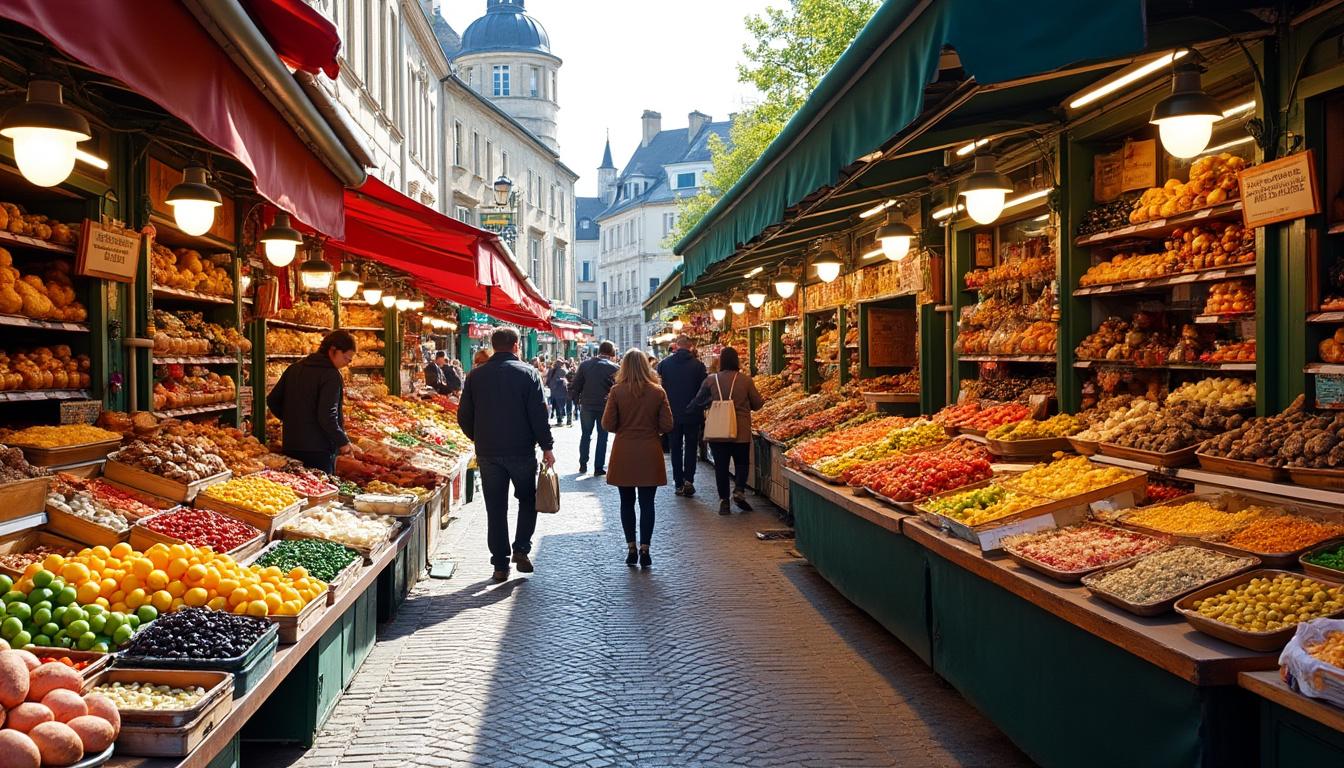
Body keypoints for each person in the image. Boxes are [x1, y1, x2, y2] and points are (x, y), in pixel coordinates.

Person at [459, 328, 556, 582]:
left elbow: (464, 416)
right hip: (521, 450)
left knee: (496, 507)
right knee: (527, 499)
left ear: (493, 346)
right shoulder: (529, 374)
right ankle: (521, 548)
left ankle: (499, 564)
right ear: (516, 345)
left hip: (488, 451)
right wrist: (546, 446)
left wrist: (478, 437)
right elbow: (539, 415)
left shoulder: (475, 376)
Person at [602, 349, 674, 568]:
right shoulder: (657, 391)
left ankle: (631, 547)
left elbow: (607, 424)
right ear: (646, 366)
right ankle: (646, 549)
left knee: (626, 502)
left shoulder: (617, 391)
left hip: (624, 451)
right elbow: (667, 425)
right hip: (649, 451)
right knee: (647, 503)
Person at [266, 330, 356, 474]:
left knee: (295, 490)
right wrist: (343, 442)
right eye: (346, 358)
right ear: (333, 350)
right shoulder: (331, 375)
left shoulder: (294, 369)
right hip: (319, 450)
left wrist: (293, 420)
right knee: (320, 490)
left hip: (292, 444)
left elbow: (272, 400)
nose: (347, 364)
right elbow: (327, 416)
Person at [688, 346, 763, 515]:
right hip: (741, 430)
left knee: (721, 466)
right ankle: (739, 490)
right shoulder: (746, 380)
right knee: (742, 462)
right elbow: (758, 404)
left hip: (718, 430)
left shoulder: (710, 380)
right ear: (737, 361)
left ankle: (723, 501)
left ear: (721, 361)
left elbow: (698, 402)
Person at [655, 334, 707, 497]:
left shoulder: (664, 365)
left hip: (672, 414)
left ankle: (678, 483)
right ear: (690, 347)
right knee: (691, 447)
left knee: (675, 448)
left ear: (676, 346)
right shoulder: (698, 366)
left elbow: (659, 388)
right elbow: (703, 391)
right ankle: (688, 480)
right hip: (692, 413)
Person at [569, 340, 619, 475]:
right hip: (604, 406)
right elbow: (617, 389)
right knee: (603, 436)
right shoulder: (614, 367)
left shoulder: (585, 365)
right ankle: (598, 467)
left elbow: (576, 386)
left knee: (585, 435)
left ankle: (583, 464)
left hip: (587, 405)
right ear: (611, 352)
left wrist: (576, 403)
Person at [545, 360, 572, 427]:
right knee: (562, 406)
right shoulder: (564, 371)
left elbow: (548, 381)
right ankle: (567, 420)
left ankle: (561, 420)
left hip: (558, 392)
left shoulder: (553, 371)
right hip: (561, 392)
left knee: (559, 406)